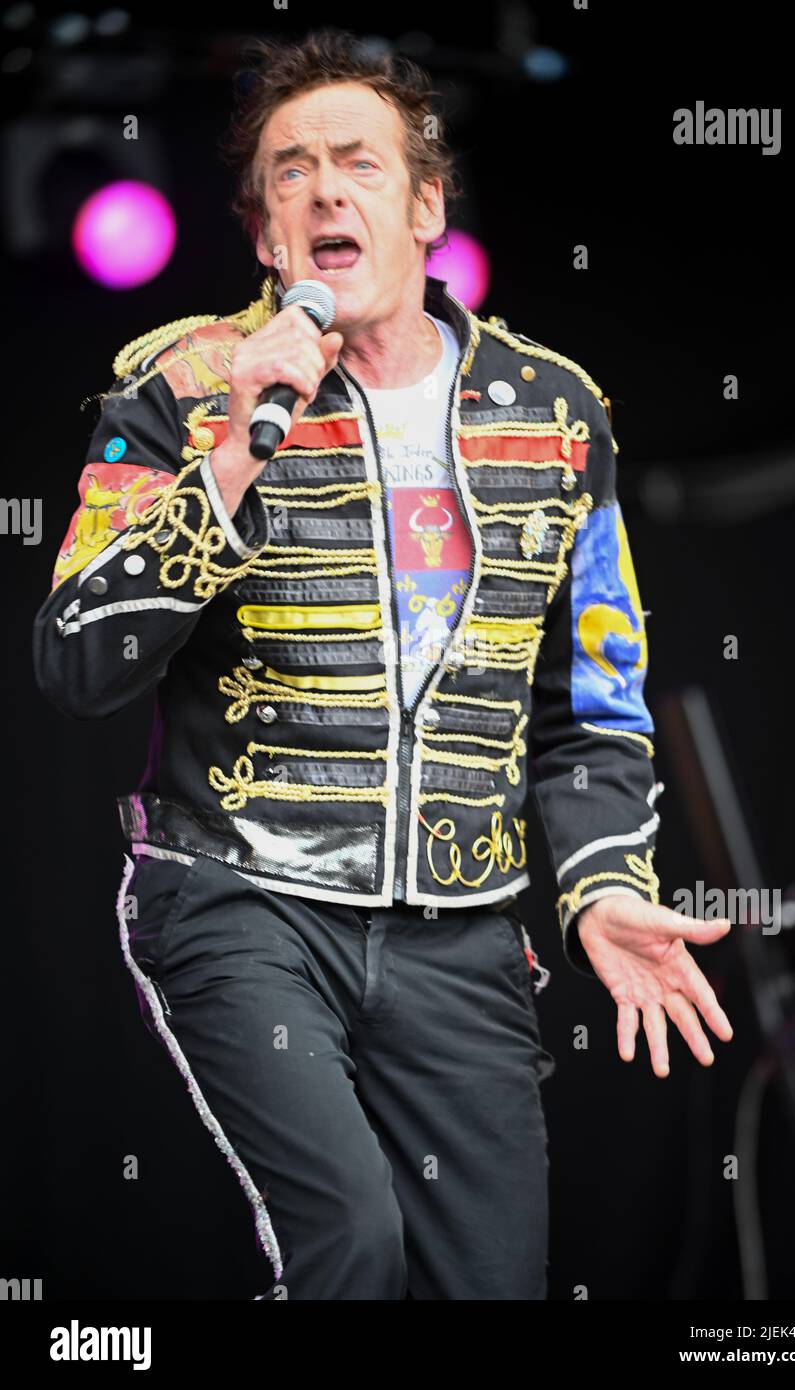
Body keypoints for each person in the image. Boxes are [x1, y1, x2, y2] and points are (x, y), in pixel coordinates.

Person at [32, 28, 733, 1300]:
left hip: (461, 935)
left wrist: (598, 886)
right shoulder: (177, 385)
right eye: (288, 172)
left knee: (490, 1283)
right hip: (240, 894)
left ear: (424, 205)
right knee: (348, 1245)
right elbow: (78, 656)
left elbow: (594, 702)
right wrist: (236, 450)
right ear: (263, 236)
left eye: (356, 163)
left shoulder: (558, 411)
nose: (321, 190)